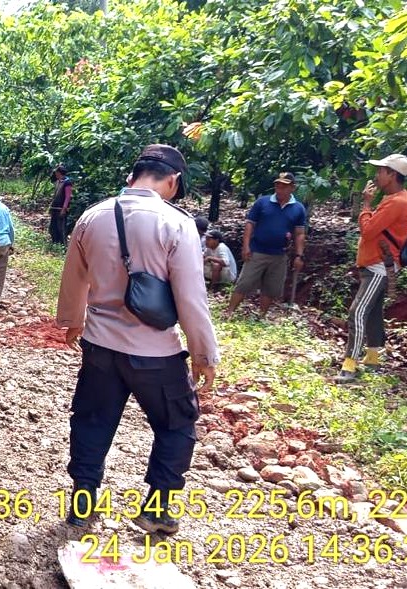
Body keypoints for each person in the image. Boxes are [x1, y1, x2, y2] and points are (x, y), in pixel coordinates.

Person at [56, 144, 219, 533]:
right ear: (173, 181)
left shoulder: (92, 216)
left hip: (100, 345)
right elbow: (191, 297)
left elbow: (74, 275)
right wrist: (203, 353)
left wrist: (72, 321)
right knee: (177, 423)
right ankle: (157, 509)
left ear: (132, 176)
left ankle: (83, 504)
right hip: (155, 352)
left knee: (92, 421)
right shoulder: (176, 224)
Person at [335, 154, 407, 383]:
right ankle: (373, 358)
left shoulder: (397, 202)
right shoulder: (394, 199)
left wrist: (366, 204)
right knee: (373, 312)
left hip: (378, 267)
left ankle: (350, 364)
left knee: (357, 312)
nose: (377, 175)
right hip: (377, 264)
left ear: (392, 175)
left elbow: (368, 231)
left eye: (381, 171)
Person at [226, 172, 307, 318]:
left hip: (279, 254)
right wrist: (246, 246)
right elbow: (250, 225)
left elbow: (299, 233)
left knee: (270, 287)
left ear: (292, 188)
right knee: (244, 283)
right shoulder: (263, 202)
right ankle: (230, 312)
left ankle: (261, 316)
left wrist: (299, 255)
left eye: (284, 186)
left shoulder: (298, 208)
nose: (279, 189)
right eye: (277, 185)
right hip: (257, 250)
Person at [49, 165, 73, 245]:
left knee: (61, 228)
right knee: (53, 227)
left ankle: (63, 244)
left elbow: (67, 197)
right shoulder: (58, 182)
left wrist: (64, 208)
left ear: (59, 172)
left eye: (56, 172)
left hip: (61, 209)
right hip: (55, 208)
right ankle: (55, 242)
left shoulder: (67, 183)